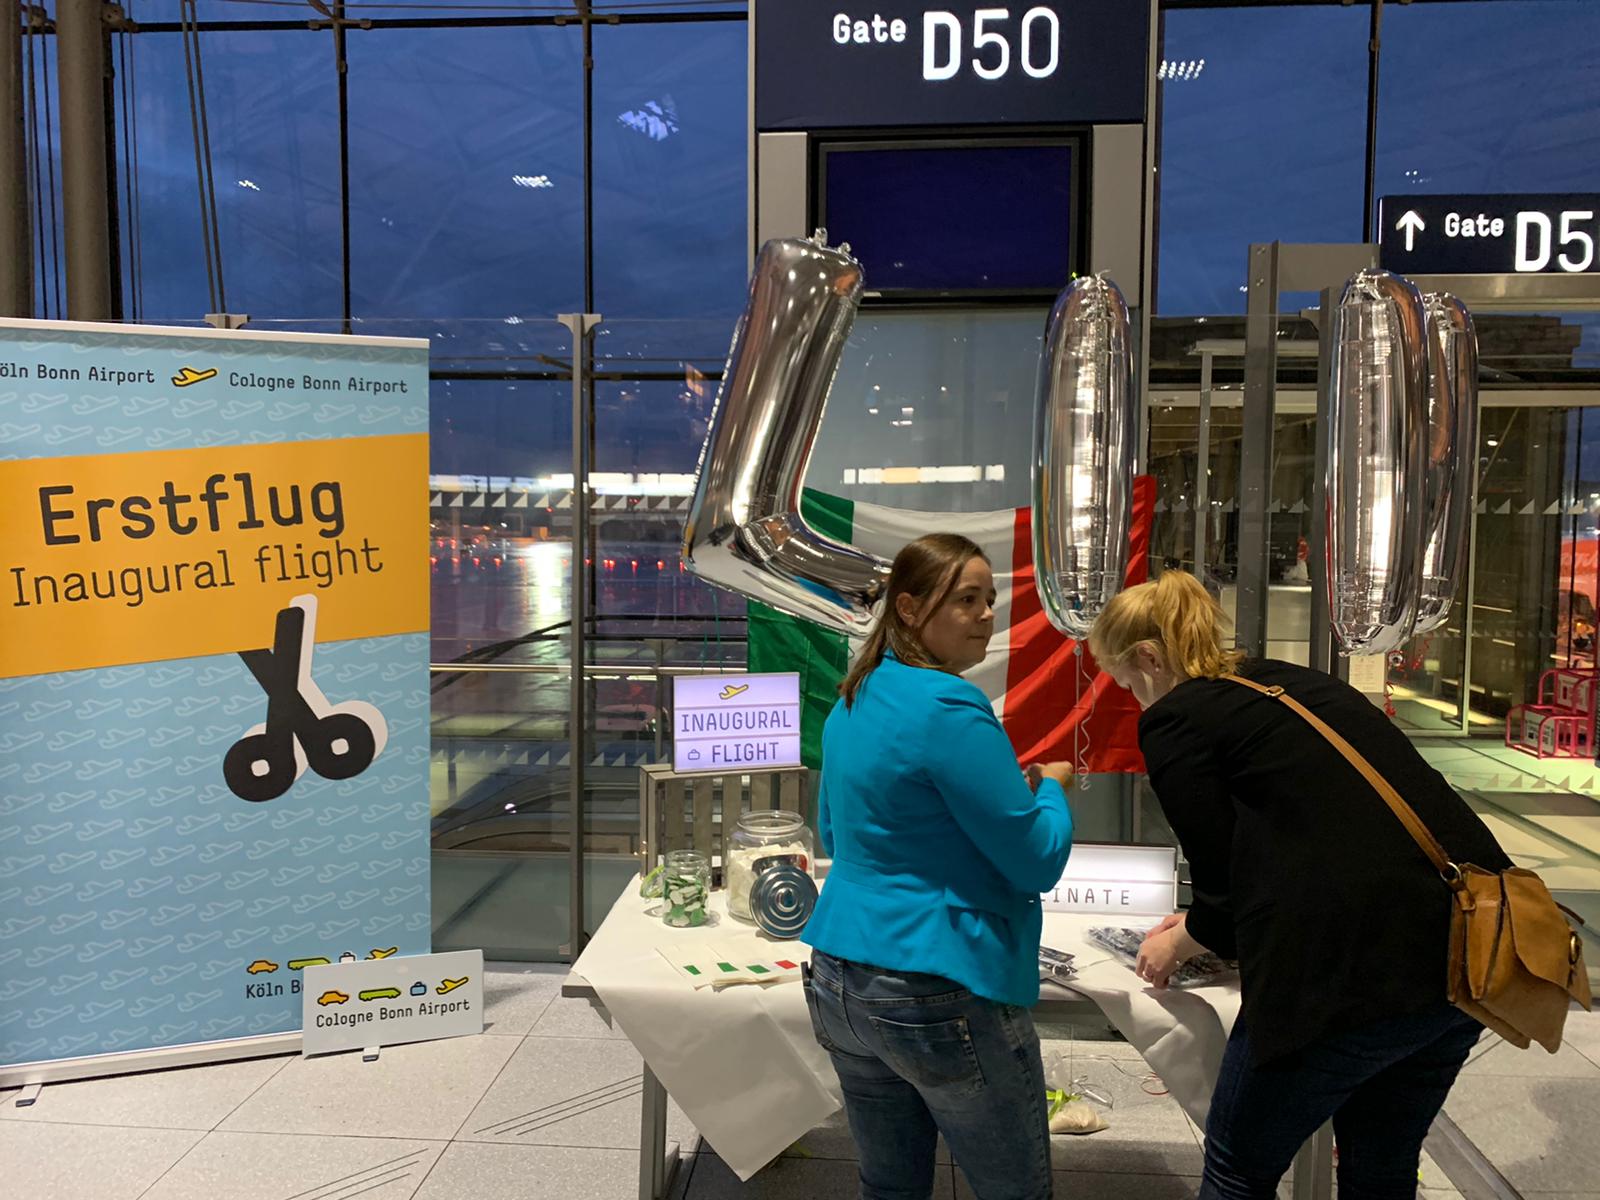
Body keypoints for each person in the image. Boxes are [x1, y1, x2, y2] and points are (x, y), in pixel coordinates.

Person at [1088, 571, 1510, 1200]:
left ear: (1148, 658)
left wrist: (1178, 941)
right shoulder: (1290, 684)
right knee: (1382, 1164)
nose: (1133, 699)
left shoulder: (1177, 719)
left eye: (1126, 683)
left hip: (1345, 977)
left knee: (1239, 1168)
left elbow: (1223, 892)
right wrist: (1198, 922)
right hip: (1468, 954)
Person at [802, 532, 1076, 1200]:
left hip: (839, 979)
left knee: (890, 1187)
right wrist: (1053, 791)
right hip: (936, 985)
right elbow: (1037, 859)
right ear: (908, 608)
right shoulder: (950, 706)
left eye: (990, 598)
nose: (987, 615)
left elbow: (835, 832)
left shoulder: (852, 698)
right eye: (966, 600)